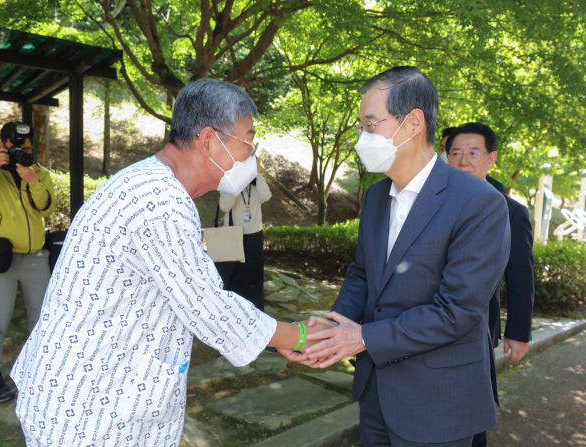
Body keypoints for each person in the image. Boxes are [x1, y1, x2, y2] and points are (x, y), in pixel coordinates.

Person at [10, 78, 328, 447]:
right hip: (91, 406)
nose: (252, 156)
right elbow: (206, 303)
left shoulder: (148, 182)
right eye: (248, 142)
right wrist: (297, 335)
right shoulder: (160, 199)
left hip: (91, 389)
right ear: (209, 140)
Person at [294, 66, 511, 446]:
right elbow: (362, 273)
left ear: (413, 124)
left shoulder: (480, 203)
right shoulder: (378, 197)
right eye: (359, 127)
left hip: (439, 401)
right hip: (376, 393)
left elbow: (456, 310)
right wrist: (333, 325)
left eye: (370, 124)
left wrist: (360, 339)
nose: (361, 137)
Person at [446, 122, 535, 447]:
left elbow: (520, 277)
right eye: (455, 153)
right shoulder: (434, 202)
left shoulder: (511, 212)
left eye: (472, 153)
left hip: (477, 326)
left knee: (472, 411)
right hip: (426, 324)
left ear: (491, 158)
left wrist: (518, 332)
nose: (462, 160)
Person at [0, 122, 57, 403]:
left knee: (42, 320)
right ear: (4, 145)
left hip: (36, 259)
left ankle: (42, 370)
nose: (24, 154)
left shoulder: (39, 173)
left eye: (28, 149)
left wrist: (33, 181)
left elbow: (47, 207)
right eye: (17, 149)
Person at [217, 160, 272, 311]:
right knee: (230, 277)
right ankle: (229, 311)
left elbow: (266, 196)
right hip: (232, 235)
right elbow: (225, 206)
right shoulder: (228, 181)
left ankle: (254, 313)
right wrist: (234, 182)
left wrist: (258, 174)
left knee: (253, 279)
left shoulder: (257, 183)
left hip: (253, 236)